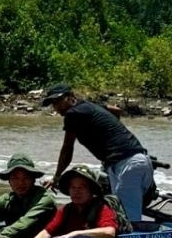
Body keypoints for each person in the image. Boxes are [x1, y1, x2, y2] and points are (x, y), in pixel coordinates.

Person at [45, 82, 154, 229]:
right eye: (53, 103)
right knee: (115, 208)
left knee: (127, 219)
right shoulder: (89, 106)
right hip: (125, 161)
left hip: (128, 164)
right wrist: (110, 132)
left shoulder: (73, 114)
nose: (57, 106)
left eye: (58, 101)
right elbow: (116, 111)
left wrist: (57, 176)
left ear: (71, 97)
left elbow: (67, 148)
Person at [32, 163, 129, 238]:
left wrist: (76, 234)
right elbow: (48, 231)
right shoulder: (65, 210)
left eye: (81, 187)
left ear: (91, 191)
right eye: (73, 187)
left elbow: (109, 232)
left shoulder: (101, 208)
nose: (76, 191)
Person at [0, 153, 58, 238]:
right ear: (9, 181)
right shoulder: (8, 199)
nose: (21, 183)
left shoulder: (44, 199)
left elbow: (24, 223)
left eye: (26, 177)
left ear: (33, 179)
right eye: (15, 178)